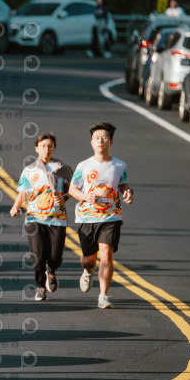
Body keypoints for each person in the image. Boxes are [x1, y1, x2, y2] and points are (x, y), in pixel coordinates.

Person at [68, 122, 134, 309]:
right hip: (87, 217)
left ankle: (103, 296)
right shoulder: (84, 165)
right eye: (96, 138)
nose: (100, 141)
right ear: (91, 142)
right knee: (89, 259)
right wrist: (85, 197)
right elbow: (73, 189)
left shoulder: (119, 165)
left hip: (111, 216)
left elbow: (123, 184)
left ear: (110, 142)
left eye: (104, 138)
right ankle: (88, 271)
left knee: (106, 254)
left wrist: (128, 193)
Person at [9, 133, 72, 301]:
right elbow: (23, 192)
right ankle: (40, 287)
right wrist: (15, 206)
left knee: (55, 256)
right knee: (38, 255)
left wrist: (65, 197)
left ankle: (51, 270)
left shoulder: (62, 168)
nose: (46, 149)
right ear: (36, 148)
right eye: (43, 146)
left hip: (57, 218)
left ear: (54, 148)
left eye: (50, 146)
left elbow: (73, 190)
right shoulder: (30, 170)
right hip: (34, 218)